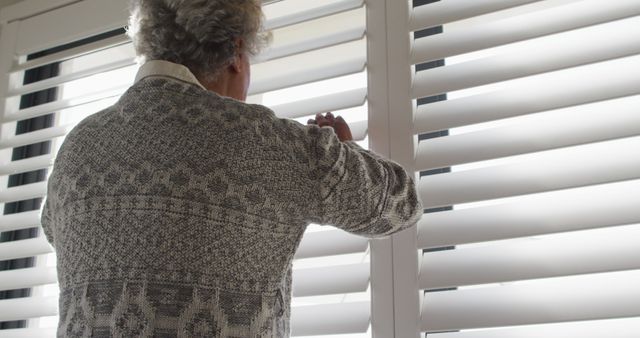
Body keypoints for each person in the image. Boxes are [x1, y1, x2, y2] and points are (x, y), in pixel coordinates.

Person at [40, 0, 423, 337]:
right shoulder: (271, 144)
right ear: (237, 52)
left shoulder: (76, 148)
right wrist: (344, 151)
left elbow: (54, 231)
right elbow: (400, 204)